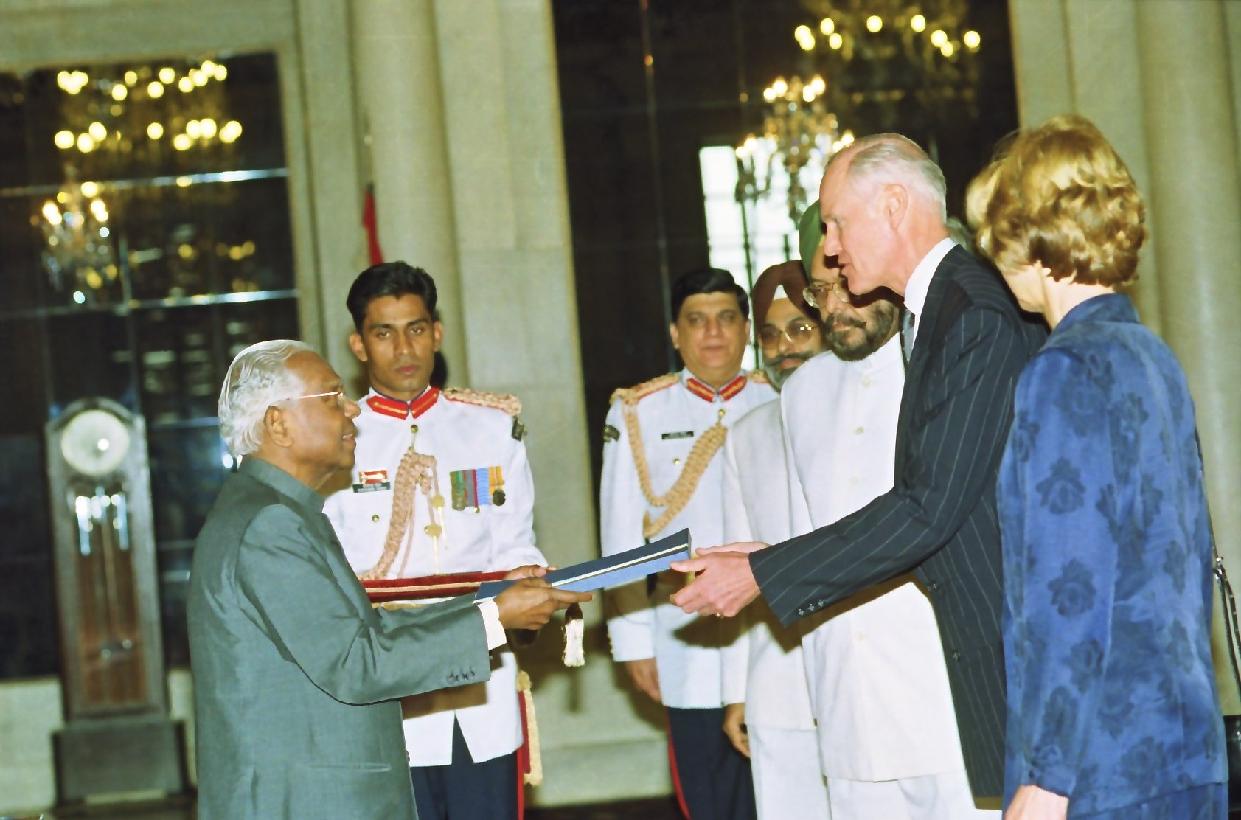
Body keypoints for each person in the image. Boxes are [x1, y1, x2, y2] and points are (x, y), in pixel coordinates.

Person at [671, 133, 1045, 801]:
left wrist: (763, 572)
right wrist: (766, 559)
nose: (835, 251)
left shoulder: (968, 317)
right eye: (820, 286)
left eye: (838, 224)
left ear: (894, 205)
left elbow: (929, 508)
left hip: (953, 679)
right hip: (849, 694)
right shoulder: (827, 378)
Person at [188, 340, 589, 820]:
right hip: (310, 801)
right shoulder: (270, 523)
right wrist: (495, 619)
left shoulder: (278, 510)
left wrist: (493, 604)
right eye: (332, 397)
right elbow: (356, 662)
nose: (352, 409)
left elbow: (366, 634)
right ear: (278, 423)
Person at [966, 114, 1226, 818]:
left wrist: (1048, 775)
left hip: (1098, 768)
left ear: (1026, 239)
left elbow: (1068, 588)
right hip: (1183, 747)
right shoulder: (1151, 357)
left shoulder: (1061, 372)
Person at [788, 208, 997, 818]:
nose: (835, 308)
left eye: (846, 286)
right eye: (819, 291)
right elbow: (804, 542)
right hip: (848, 708)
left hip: (948, 701)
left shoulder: (950, 360)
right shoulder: (800, 392)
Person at [323, 262, 542, 820]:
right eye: (384, 333)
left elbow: (516, 541)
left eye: (416, 329)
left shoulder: (490, 428)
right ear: (358, 344)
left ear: (437, 334)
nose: (404, 348)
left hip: (480, 688)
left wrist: (529, 582)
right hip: (389, 697)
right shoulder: (336, 443)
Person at [601, 267, 773, 819]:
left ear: (746, 329)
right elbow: (621, 537)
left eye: (726, 318)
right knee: (707, 795)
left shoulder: (779, 397)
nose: (713, 333)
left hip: (771, 625)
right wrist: (633, 642)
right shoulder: (639, 411)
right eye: (697, 321)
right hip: (685, 632)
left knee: (781, 791)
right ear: (676, 334)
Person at [718, 260, 831, 819]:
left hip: (865, 678)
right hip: (779, 682)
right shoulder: (745, 436)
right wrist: (737, 688)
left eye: (800, 329)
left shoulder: (873, 416)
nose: (784, 347)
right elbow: (734, 571)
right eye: (770, 334)